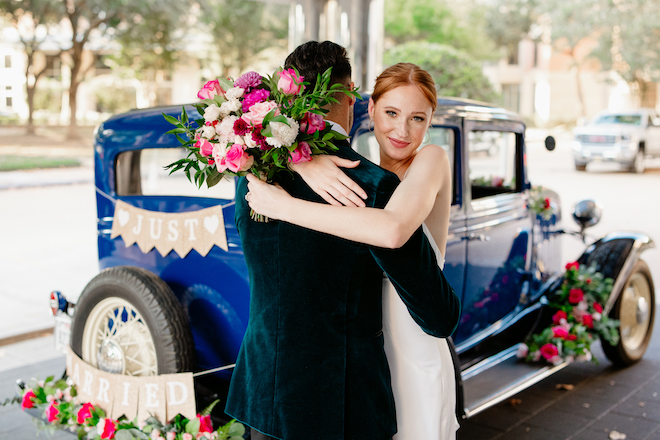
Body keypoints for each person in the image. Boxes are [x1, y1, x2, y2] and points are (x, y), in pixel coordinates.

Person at [225, 42, 460, 440]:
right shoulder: (373, 185)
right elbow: (440, 314)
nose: (400, 129)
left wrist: (303, 165)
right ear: (355, 97)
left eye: (416, 118)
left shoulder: (252, 170)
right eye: (391, 113)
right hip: (341, 405)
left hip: (262, 393)